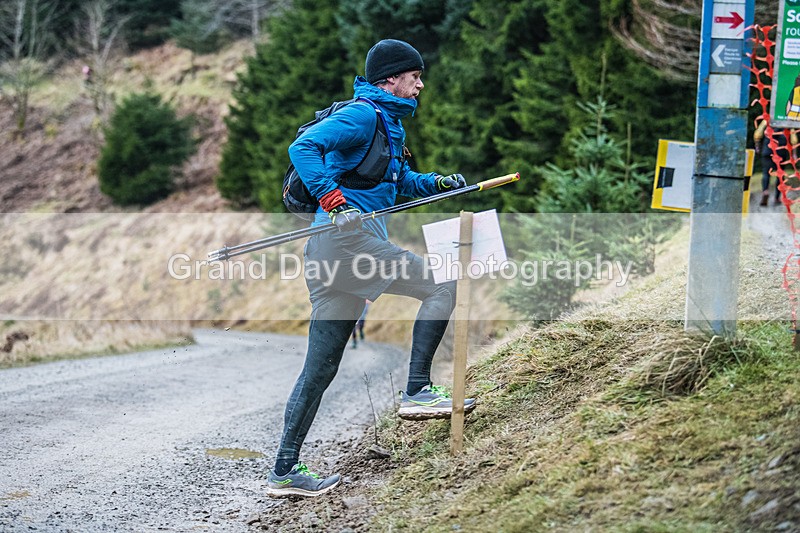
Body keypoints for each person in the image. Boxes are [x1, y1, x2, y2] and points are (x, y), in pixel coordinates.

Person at [267, 39, 476, 498]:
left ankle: (285, 471)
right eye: (414, 77)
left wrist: (435, 183)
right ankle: (418, 390)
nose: (420, 85)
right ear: (391, 79)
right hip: (345, 244)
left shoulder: (389, 125)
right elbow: (302, 147)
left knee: (320, 368)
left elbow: (392, 184)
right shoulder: (363, 115)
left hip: (328, 255)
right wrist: (334, 201)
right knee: (443, 282)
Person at [753, 120, 790, 206]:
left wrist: (757, 146)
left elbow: (758, 134)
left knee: (766, 173)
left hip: (768, 150)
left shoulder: (767, 120)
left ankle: (765, 191)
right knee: (780, 175)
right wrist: (794, 153)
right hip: (781, 151)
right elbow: (793, 139)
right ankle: (777, 197)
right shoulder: (786, 121)